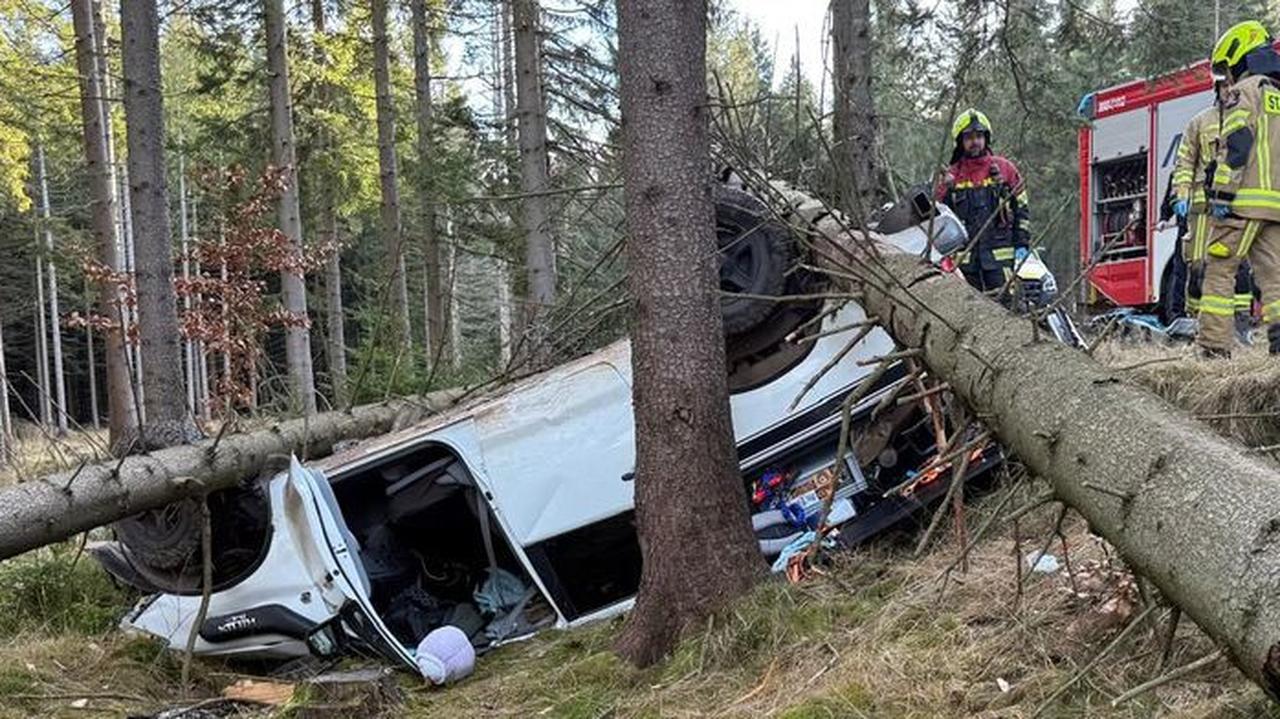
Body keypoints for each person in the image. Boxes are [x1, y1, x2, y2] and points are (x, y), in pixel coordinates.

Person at [1202, 20, 1280, 357]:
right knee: (1276, 279)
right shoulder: (1277, 94)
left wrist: (1220, 194)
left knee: (1219, 274)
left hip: (1241, 205)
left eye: (1226, 69)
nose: (1226, 77)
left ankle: (1214, 352)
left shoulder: (1242, 93)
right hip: (1275, 207)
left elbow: (1236, 146)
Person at [1171, 77, 1257, 343]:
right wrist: (1182, 195)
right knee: (1197, 265)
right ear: (1216, 90)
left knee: (1237, 265)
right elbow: (1184, 162)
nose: (1228, 91)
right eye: (1223, 87)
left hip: (1235, 206)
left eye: (1233, 86)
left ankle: (1240, 323)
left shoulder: (1248, 121)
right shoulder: (1200, 122)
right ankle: (1195, 324)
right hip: (1201, 209)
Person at [936, 109, 1030, 301]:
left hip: (1001, 260)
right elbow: (938, 218)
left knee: (1005, 309)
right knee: (969, 311)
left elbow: (1022, 209)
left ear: (986, 138)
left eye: (979, 136)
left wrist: (1022, 245)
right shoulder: (951, 176)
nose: (975, 142)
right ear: (960, 142)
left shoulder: (1005, 169)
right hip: (965, 263)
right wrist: (943, 188)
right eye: (969, 137)